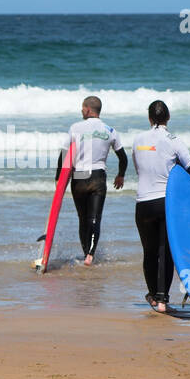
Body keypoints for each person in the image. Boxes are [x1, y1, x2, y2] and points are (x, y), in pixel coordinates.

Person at [132, 100, 190, 313]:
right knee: (165, 251)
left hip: (142, 203)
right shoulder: (173, 140)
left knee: (149, 251)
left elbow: (139, 169)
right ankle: (163, 300)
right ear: (168, 118)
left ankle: (153, 296)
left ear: (149, 118)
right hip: (166, 203)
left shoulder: (138, 140)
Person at [57, 96, 127, 265]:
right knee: (95, 217)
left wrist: (58, 181)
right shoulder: (110, 131)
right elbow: (123, 157)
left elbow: (64, 156)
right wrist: (120, 175)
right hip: (97, 176)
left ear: (88, 109)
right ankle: (90, 255)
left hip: (79, 176)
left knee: (83, 218)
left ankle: (85, 251)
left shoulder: (75, 127)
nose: (82, 111)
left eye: (83, 108)